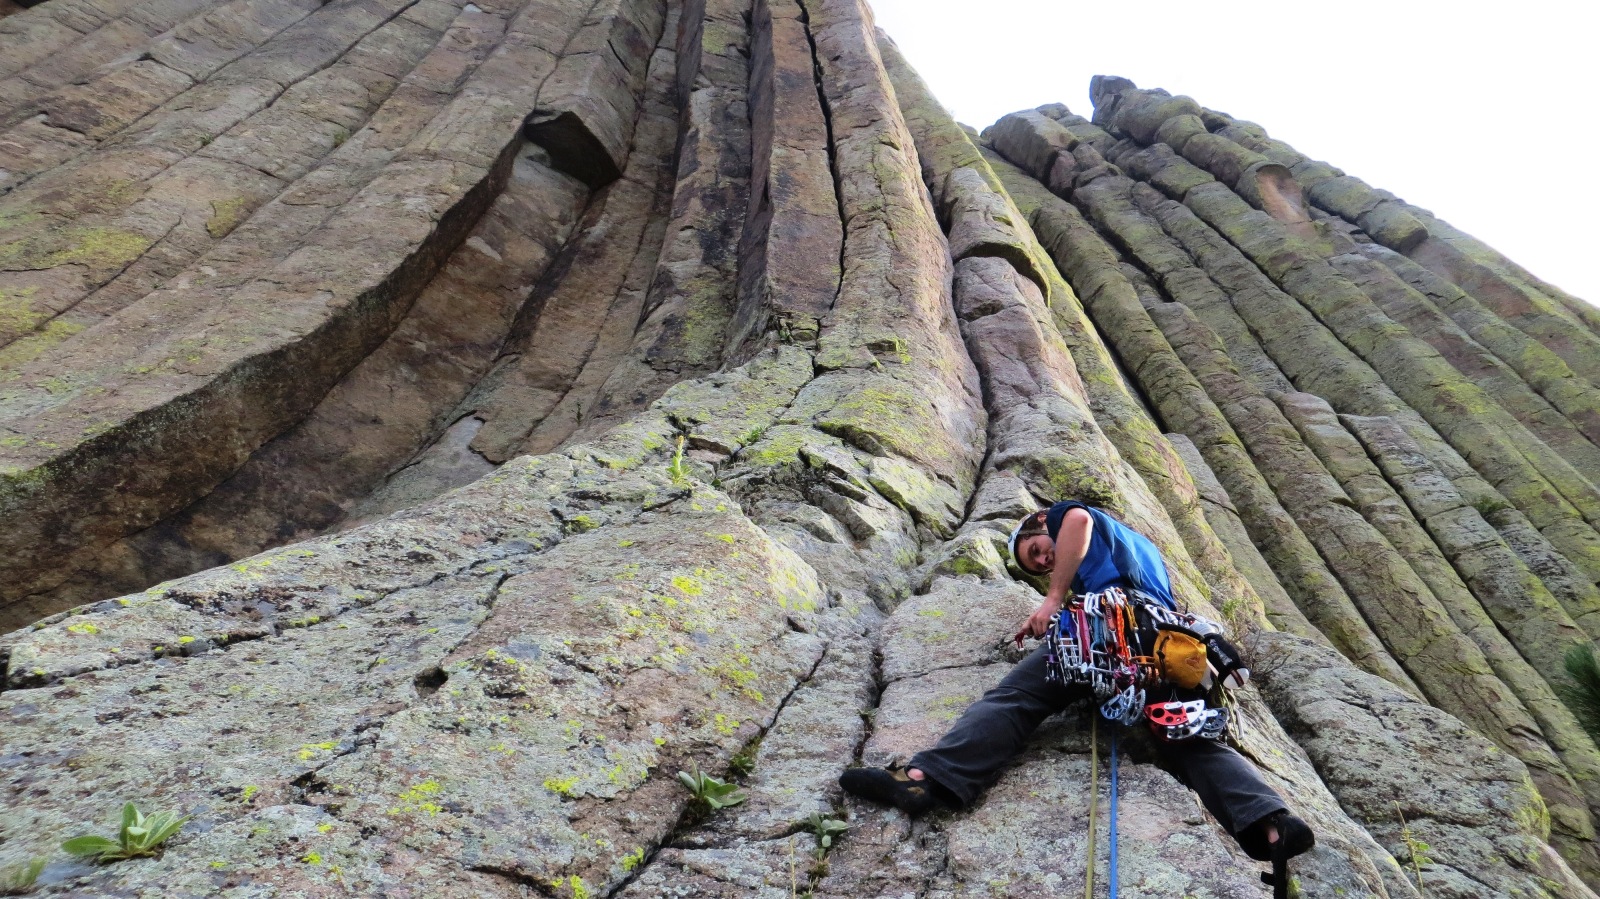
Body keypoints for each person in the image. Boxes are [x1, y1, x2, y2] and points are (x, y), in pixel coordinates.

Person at [840, 500, 1314, 875]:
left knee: (1018, 698)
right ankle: (1271, 824)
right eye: (1039, 566)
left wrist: (1053, 600)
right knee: (1186, 737)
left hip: (1109, 628)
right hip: (1165, 646)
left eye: (1037, 551)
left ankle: (924, 780)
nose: (1044, 561)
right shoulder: (1141, 550)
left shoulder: (1069, 514)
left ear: (1039, 522)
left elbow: (1078, 522)